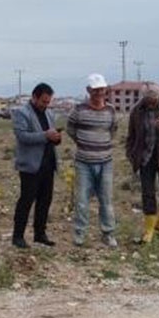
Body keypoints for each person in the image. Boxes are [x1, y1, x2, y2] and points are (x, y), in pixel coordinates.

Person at [64, 73, 118, 247]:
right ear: (88, 90)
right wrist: (82, 142)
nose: (99, 93)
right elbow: (70, 128)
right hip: (83, 163)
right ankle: (80, 234)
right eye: (95, 90)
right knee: (81, 201)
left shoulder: (111, 110)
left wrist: (102, 144)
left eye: (102, 90)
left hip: (106, 162)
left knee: (106, 200)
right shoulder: (79, 110)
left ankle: (108, 234)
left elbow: (113, 130)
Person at [125, 82, 159, 243]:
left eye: (154, 99)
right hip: (145, 158)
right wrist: (131, 154)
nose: (151, 102)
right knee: (148, 195)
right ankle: (149, 230)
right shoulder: (137, 110)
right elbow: (131, 135)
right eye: (148, 99)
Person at [10, 82, 61, 248]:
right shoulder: (21, 113)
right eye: (43, 101)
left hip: (48, 164)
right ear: (34, 97)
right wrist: (46, 135)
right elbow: (23, 136)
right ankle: (18, 236)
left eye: (48, 102)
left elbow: (51, 137)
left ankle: (40, 234)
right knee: (26, 200)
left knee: (45, 201)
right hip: (30, 166)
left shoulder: (50, 114)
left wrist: (56, 138)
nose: (46, 105)